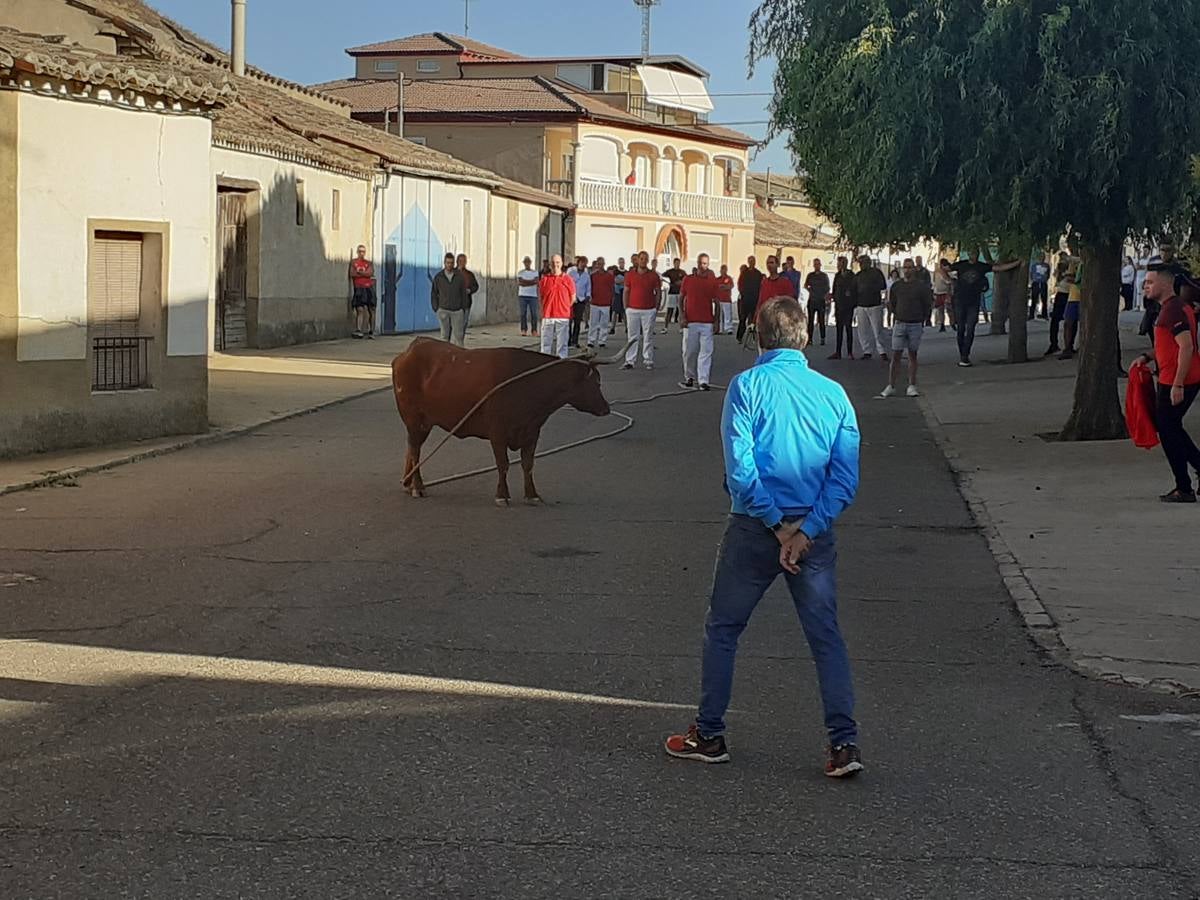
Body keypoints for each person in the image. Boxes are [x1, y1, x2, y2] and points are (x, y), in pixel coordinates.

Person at [662, 296, 863, 777]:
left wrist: (777, 526)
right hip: (812, 529)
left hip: (757, 526)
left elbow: (741, 470)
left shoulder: (746, 386)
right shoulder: (833, 394)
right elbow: (844, 477)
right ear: (805, 337)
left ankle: (709, 734)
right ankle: (844, 744)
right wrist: (806, 529)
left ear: (759, 336)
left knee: (724, 629)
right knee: (825, 638)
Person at [1131, 265, 1200, 502]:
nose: (1145, 286)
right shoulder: (1175, 308)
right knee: (1172, 427)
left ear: (1165, 284)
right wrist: (1149, 356)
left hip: (1178, 380)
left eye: (1150, 282)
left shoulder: (1173, 311)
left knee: (1169, 430)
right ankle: (1190, 478)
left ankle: (1184, 487)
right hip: (1175, 378)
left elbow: (1187, 346)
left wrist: (1178, 384)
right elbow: (1168, 345)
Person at [880, 259, 933, 398]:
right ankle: (891, 385)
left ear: (914, 269)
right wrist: (895, 315)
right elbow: (892, 302)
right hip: (900, 322)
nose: (907, 270)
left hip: (915, 323)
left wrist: (923, 319)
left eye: (910, 268)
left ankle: (912, 385)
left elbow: (927, 304)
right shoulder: (897, 286)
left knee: (912, 354)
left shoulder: (921, 287)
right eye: (905, 268)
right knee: (896, 354)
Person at [678, 253, 720, 391]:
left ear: (708, 265)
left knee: (706, 352)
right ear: (697, 264)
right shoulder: (688, 279)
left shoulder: (712, 281)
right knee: (689, 351)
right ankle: (689, 377)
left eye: (705, 264)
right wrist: (682, 316)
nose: (703, 266)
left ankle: (703, 380)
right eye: (701, 263)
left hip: (707, 321)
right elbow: (681, 298)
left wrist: (716, 321)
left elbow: (717, 302)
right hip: (690, 321)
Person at [950, 249, 991, 367]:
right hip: (960, 300)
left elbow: (996, 268)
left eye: (976, 253)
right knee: (961, 328)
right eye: (972, 253)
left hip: (973, 301)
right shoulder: (961, 265)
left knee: (971, 328)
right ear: (969, 254)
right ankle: (962, 353)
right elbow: (944, 268)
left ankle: (965, 355)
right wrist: (951, 281)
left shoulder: (981, 267)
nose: (973, 255)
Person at [623, 251, 659, 369]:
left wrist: (656, 307)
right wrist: (626, 307)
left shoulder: (654, 275)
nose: (643, 261)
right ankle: (630, 360)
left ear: (648, 261)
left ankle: (648, 359)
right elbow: (626, 291)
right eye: (641, 258)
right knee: (632, 336)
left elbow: (658, 292)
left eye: (645, 259)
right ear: (637, 260)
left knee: (648, 335)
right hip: (632, 309)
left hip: (648, 309)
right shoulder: (630, 275)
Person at [539, 254, 575, 359]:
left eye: (558, 262)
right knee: (546, 342)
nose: (556, 265)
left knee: (562, 342)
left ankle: (562, 361)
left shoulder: (568, 279)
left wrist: (564, 307)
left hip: (562, 316)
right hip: (548, 315)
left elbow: (572, 297)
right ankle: (544, 361)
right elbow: (540, 297)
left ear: (562, 263)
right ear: (550, 265)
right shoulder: (545, 280)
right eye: (553, 263)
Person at [854, 255, 888, 362]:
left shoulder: (876, 273)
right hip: (861, 304)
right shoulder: (858, 275)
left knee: (877, 329)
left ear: (868, 263)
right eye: (860, 263)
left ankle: (882, 351)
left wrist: (870, 288)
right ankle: (866, 350)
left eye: (863, 263)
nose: (861, 265)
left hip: (874, 304)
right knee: (862, 329)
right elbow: (854, 288)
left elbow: (883, 286)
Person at [431, 252, 469, 347]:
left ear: (453, 263)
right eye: (447, 263)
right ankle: (445, 358)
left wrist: (462, 308)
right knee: (444, 337)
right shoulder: (439, 277)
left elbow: (463, 294)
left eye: (451, 263)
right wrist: (436, 308)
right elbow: (434, 293)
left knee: (459, 337)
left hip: (457, 311)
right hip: (443, 310)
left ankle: (460, 358)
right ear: (444, 263)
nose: (449, 265)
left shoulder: (459, 277)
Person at [829, 256, 857, 360]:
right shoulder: (837, 276)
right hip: (838, 305)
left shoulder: (851, 275)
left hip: (848, 306)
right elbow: (835, 289)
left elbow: (854, 289)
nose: (839, 265)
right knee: (839, 329)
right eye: (838, 263)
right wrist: (832, 296)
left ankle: (850, 352)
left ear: (845, 263)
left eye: (841, 263)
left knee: (848, 328)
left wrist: (852, 300)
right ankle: (838, 352)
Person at [1046, 251, 1073, 354]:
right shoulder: (1060, 268)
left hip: (1070, 294)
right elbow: (1057, 278)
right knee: (1055, 319)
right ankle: (1054, 344)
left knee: (1070, 320)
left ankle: (1069, 345)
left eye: (1063, 257)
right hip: (1061, 293)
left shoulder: (1072, 264)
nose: (1062, 260)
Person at [349, 245, 377, 339]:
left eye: (363, 251)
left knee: (371, 309)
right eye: (360, 251)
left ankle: (372, 331)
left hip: (368, 288)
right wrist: (363, 273)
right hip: (358, 288)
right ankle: (359, 330)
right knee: (359, 309)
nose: (362, 253)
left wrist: (360, 272)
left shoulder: (368, 263)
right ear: (357, 252)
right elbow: (352, 273)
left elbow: (370, 273)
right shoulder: (354, 262)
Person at [757, 256, 795, 324]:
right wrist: (755, 319)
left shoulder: (785, 282)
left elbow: (790, 302)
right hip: (766, 320)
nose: (769, 265)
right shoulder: (764, 282)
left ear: (777, 265)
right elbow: (760, 302)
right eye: (767, 263)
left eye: (772, 263)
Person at [1059, 254, 1083, 360]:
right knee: (1068, 323)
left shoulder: (1083, 263)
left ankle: (1077, 346)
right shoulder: (1073, 263)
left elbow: (1070, 278)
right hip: (1073, 296)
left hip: (1082, 296)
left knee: (1077, 323)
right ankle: (1068, 347)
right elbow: (1069, 277)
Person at [588, 257, 615, 349]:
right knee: (593, 322)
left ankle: (602, 341)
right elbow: (589, 287)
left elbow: (612, 288)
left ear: (604, 264)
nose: (600, 265)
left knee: (604, 323)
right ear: (596, 265)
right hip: (595, 302)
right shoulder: (592, 276)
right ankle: (591, 340)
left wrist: (611, 299)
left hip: (605, 302)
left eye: (601, 264)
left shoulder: (609, 276)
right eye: (598, 264)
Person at [804, 258, 831, 346]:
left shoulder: (824, 276)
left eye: (818, 264)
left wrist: (825, 296)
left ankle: (822, 338)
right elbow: (805, 285)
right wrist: (810, 291)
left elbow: (828, 287)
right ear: (813, 265)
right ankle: (810, 339)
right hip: (812, 300)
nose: (816, 266)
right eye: (815, 264)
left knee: (821, 320)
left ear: (820, 265)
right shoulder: (810, 275)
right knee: (810, 321)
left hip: (821, 300)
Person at [737, 256, 763, 342]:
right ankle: (739, 337)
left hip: (755, 299)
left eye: (753, 261)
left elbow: (761, 286)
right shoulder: (744, 273)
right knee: (742, 319)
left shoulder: (758, 273)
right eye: (750, 261)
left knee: (754, 320)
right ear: (748, 262)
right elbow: (740, 283)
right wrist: (742, 293)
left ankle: (754, 337)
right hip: (745, 299)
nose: (752, 262)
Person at [568, 256, 592, 348]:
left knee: (577, 321)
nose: (583, 264)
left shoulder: (586, 275)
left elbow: (588, 287)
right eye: (582, 262)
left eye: (585, 263)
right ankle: (568, 340)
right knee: (569, 321)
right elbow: (567, 283)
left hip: (581, 300)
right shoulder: (571, 272)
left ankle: (575, 341)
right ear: (578, 262)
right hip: (571, 299)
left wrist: (587, 296)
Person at [516, 256, 540, 337]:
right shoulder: (520, 272)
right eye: (525, 262)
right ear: (524, 263)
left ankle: (534, 330)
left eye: (528, 262)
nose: (527, 263)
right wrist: (531, 282)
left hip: (533, 296)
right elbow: (520, 283)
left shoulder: (535, 272)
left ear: (530, 263)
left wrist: (526, 282)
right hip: (522, 295)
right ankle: (523, 329)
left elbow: (536, 281)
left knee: (534, 314)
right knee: (523, 313)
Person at [662, 258, 687, 331]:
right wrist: (668, 283)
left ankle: (681, 327)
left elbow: (686, 280)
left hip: (679, 293)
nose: (677, 264)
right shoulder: (670, 271)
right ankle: (665, 327)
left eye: (678, 263)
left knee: (680, 309)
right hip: (672, 293)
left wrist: (681, 282)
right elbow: (662, 276)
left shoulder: (682, 272)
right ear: (674, 263)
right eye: (676, 263)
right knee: (669, 310)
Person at [456, 254, 478, 334]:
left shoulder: (469, 274)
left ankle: (460, 341)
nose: (462, 263)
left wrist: (470, 290)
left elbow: (475, 286)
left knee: (464, 323)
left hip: (466, 303)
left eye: (464, 261)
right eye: (460, 261)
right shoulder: (452, 273)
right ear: (457, 261)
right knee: (454, 324)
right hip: (454, 304)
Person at [932, 258, 954, 332]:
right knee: (942, 309)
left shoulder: (942, 272)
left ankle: (951, 323)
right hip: (941, 292)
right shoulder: (941, 272)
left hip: (944, 292)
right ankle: (943, 325)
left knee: (948, 309)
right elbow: (948, 281)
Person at [1029, 252, 1051, 320]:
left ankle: (1044, 314)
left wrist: (1045, 279)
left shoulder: (1046, 265)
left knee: (1044, 299)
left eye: (1043, 256)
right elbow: (1031, 273)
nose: (1042, 258)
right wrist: (1033, 280)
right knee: (1034, 299)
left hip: (1043, 283)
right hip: (1036, 282)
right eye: (1040, 256)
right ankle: (1031, 315)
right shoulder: (1034, 265)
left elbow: (1048, 274)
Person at [715, 264, 735, 335]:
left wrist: (724, 286)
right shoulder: (717, 279)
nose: (723, 271)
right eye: (722, 269)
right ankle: (719, 329)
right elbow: (714, 288)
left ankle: (728, 328)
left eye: (724, 269)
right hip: (719, 299)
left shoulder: (728, 278)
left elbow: (731, 286)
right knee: (719, 315)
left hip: (726, 299)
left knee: (727, 314)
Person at [611, 258, 627, 331]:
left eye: (623, 262)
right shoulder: (615, 272)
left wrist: (621, 281)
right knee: (615, 311)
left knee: (624, 311)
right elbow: (615, 281)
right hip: (617, 293)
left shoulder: (627, 272)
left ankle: (627, 328)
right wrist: (622, 281)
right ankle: (612, 328)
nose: (621, 263)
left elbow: (627, 282)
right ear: (618, 263)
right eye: (620, 262)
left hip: (624, 293)